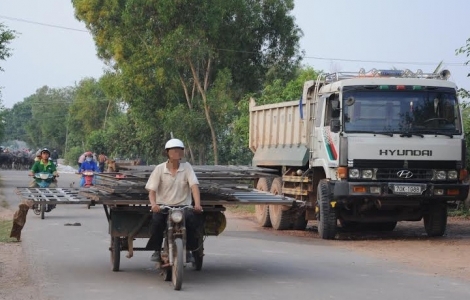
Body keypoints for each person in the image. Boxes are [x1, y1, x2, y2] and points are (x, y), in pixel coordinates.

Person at [145, 138, 203, 263]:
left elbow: (194, 187)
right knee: (156, 223)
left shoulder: (187, 167)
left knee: (193, 222)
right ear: (167, 152)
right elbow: (152, 191)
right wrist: (154, 204)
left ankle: (189, 250)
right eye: (173, 150)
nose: (176, 153)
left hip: (184, 207)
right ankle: (156, 250)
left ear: (182, 153)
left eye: (179, 150)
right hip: (164, 207)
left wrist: (197, 204)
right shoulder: (159, 169)